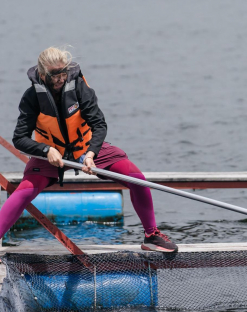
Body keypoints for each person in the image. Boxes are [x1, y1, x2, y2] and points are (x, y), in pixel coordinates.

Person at [0, 47, 178, 253]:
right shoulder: (31, 97)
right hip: (50, 156)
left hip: (86, 149)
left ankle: (151, 236)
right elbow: (19, 139)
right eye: (53, 74)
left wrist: (92, 153)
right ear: (42, 74)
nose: (59, 79)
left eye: (63, 72)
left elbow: (99, 124)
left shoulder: (79, 88)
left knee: (137, 178)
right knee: (23, 192)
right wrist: (46, 149)